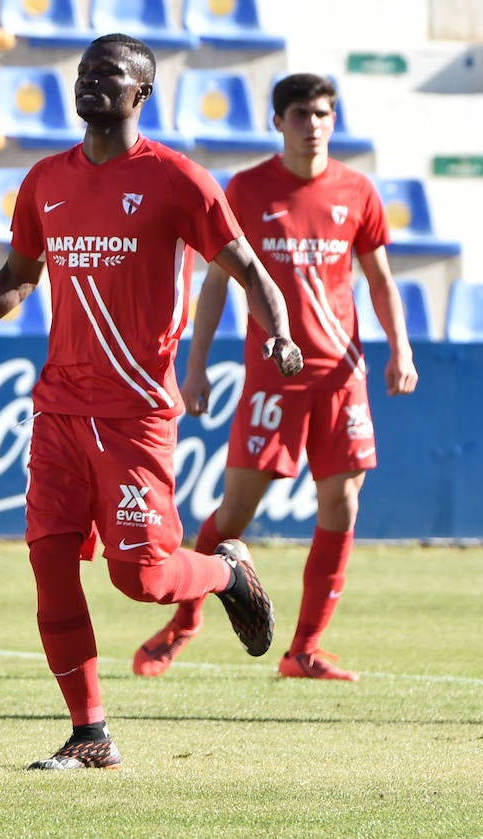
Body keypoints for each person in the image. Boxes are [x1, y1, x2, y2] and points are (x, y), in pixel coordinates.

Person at [0, 34, 304, 770]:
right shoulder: (44, 181)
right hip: (60, 410)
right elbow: (16, 279)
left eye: (110, 74)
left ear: (142, 96)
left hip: (134, 414)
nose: (91, 82)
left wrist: (281, 335)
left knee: (144, 579)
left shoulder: (177, 180)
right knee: (50, 562)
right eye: (84, 72)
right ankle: (90, 733)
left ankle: (224, 570)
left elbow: (248, 269)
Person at [132, 73, 418, 683]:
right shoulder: (249, 188)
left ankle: (305, 650)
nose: (312, 124)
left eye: (322, 113)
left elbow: (379, 280)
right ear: (276, 122)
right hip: (274, 379)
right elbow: (215, 281)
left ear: (333, 120)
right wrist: (198, 364)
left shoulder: (357, 191)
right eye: (299, 114)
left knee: (342, 501)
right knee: (235, 512)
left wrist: (401, 350)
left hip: (342, 376)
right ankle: (182, 625)